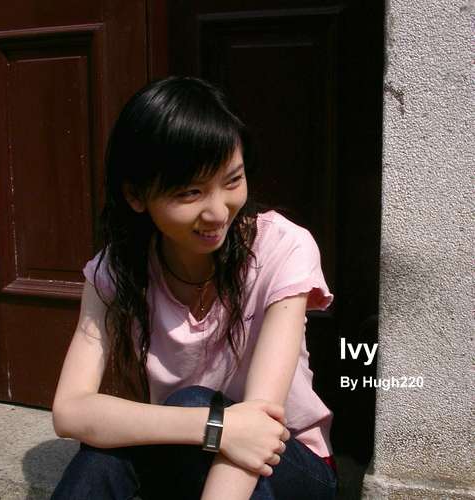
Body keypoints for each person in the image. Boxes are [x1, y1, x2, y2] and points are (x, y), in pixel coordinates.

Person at [51, 75, 338, 500]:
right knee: (104, 454)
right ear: (136, 195)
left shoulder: (284, 248)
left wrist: (209, 424)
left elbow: (260, 426)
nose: (218, 211)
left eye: (232, 180)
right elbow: (70, 410)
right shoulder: (116, 269)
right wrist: (213, 427)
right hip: (192, 452)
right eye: (191, 192)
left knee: (191, 404)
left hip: (290, 464)